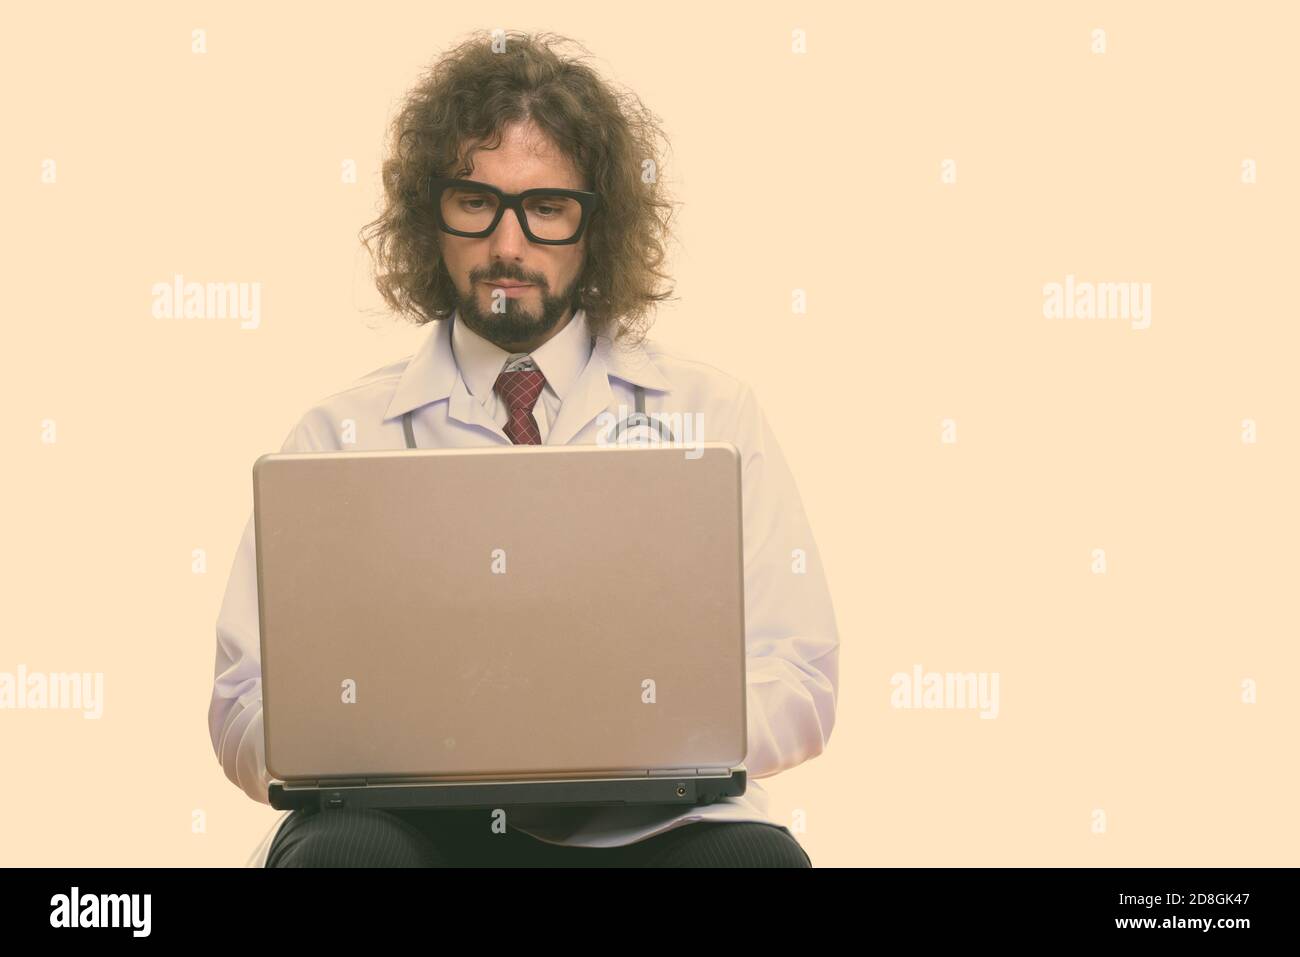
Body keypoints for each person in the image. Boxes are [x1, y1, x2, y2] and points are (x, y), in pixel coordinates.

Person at [208, 29, 839, 868]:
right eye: (476, 201)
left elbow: (802, 673)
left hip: (651, 825)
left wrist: (639, 731)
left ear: (595, 227)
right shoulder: (336, 436)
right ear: (429, 214)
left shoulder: (712, 414)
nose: (509, 245)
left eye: (546, 208)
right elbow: (242, 701)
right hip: (409, 827)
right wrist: (366, 745)